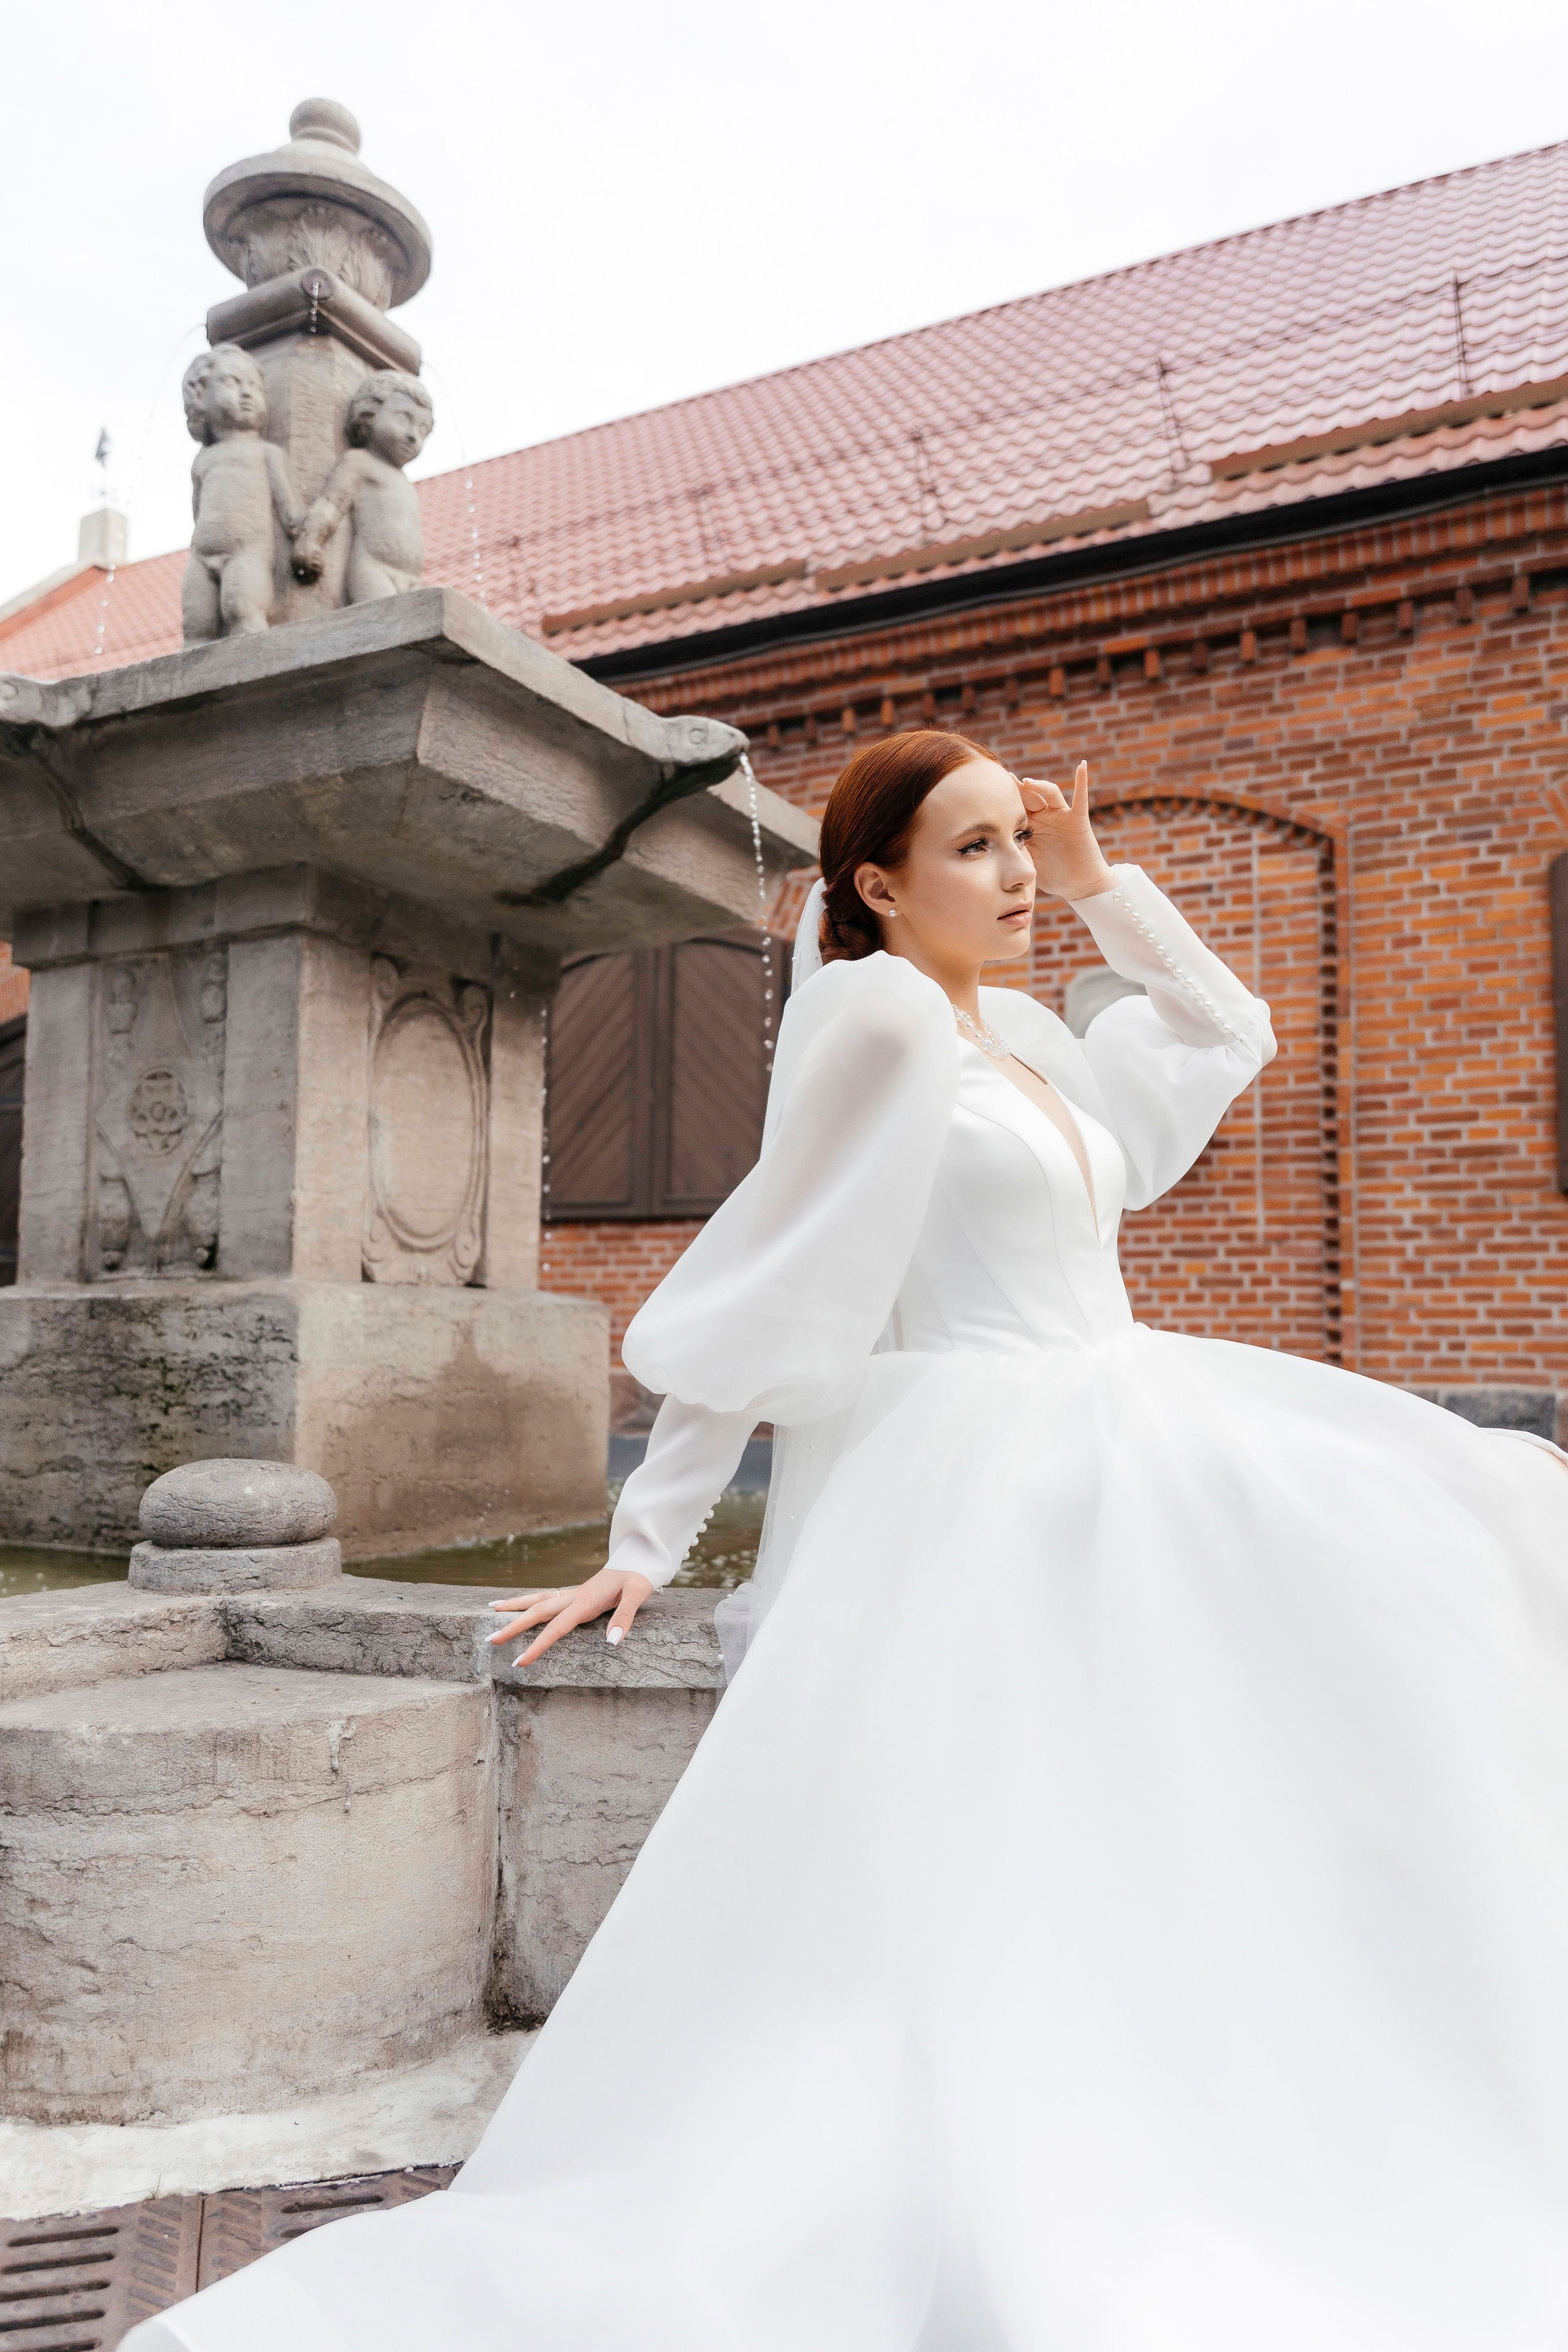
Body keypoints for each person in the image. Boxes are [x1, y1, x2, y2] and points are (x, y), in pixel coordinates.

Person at [129, 733, 1568, 2351]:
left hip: (1116, 1423)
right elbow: (775, 1279)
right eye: (977, 849)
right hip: (985, 1470)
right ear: (876, 888)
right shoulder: (879, 1024)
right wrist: (648, 1538)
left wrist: (1107, 883)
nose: (1019, 876)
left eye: (1018, 843)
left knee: (1468, 1535)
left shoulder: (1019, 1030)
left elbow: (1230, 1030)